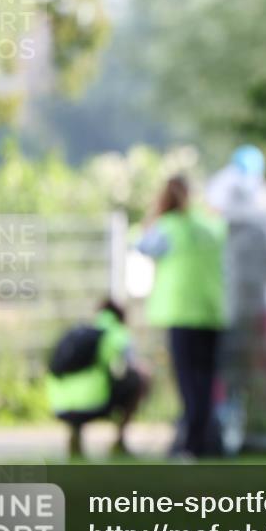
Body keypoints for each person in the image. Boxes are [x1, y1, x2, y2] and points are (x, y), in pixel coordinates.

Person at [138, 175, 227, 459]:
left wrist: (154, 216)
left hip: (181, 313)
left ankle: (192, 445)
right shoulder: (210, 226)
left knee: (188, 382)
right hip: (211, 312)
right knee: (206, 381)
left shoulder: (167, 227)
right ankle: (205, 442)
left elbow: (141, 245)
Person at [47, 298, 150, 458]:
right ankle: (119, 440)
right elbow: (126, 367)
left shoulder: (78, 333)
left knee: (87, 385)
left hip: (60, 407)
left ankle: (75, 435)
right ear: (121, 318)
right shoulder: (116, 334)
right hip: (95, 403)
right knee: (138, 379)